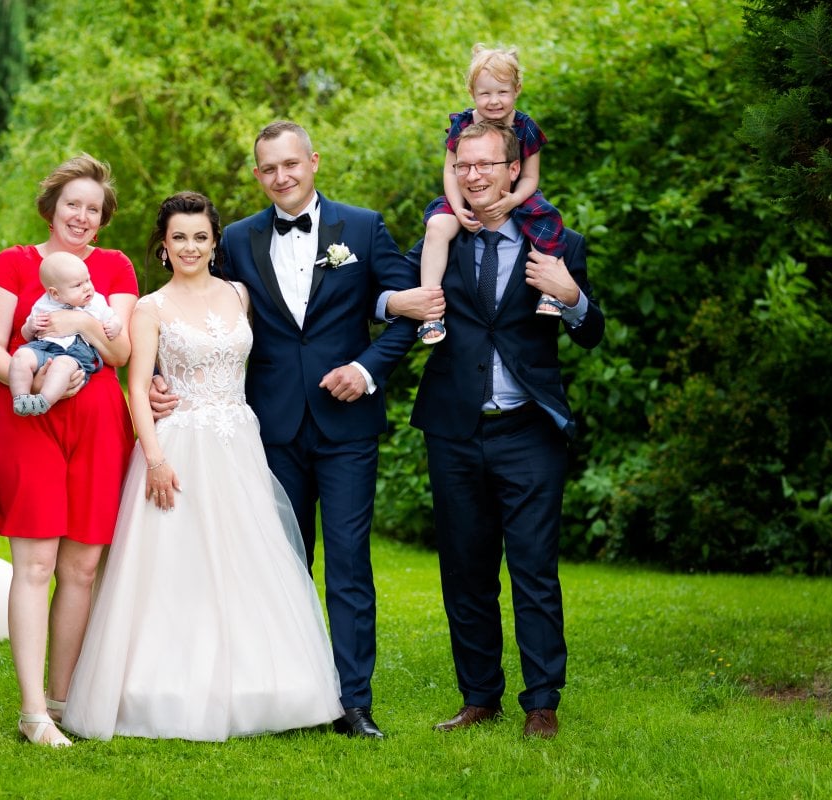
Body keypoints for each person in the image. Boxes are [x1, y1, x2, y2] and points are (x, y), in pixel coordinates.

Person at [150, 122, 442, 739]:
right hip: (267, 426)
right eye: (269, 168)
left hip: (346, 427)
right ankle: (287, 694)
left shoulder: (362, 227)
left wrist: (367, 369)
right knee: (278, 560)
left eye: (291, 164)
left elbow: (408, 306)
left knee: (349, 564)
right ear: (257, 175)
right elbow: (197, 310)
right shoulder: (236, 238)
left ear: (313, 162)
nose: (281, 176)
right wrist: (156, 375)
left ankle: (353, 702)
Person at [63, 192, 344, 741]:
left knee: (248, 562)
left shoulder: (239, 295)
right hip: (179, 448)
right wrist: (155, 459)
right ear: (163, 246)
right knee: (177, 570)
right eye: (178, 238)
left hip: (238, 443)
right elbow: (138, 389)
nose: (189, 247)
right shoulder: (150, 308)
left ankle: (263, 685)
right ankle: (164, 688)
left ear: (215, 242)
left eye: (199, 237)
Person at [408, 119, 604, 739]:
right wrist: (393, 306)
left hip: (530, 432)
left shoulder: (557, 242)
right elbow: (393, 300)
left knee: (534, 570)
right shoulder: (442, 237)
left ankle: (542, 702)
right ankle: (479, 698)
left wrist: (570, 295)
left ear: (514, 170)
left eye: (486, 165)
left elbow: (592, 331)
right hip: (454, 431)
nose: (473, 176)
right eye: (463, 166)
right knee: (465, 570)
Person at [0, 154, 138, 748]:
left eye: (93, 208)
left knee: (81, 568)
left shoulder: (115, 267)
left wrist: (81, 327)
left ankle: (62, 700)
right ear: (51, 208)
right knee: (35, 564)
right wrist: (33, 380)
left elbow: (120, 352)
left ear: (103, 217)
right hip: (26, 419)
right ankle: (33, 712)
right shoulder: (13, 262)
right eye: (72, 205)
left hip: (98, 424)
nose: (82, 216)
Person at [417, 44, 567, 346]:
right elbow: (451, 171)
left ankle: (550, 292)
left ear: (517, 90)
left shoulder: (525, 128)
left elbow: (530, 177)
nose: (494, 101)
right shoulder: (463, 124)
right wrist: (457, 208)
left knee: (546, 221)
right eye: (485, 93)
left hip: (517, 194)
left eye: (502, 92)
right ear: (472, 92)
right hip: (464, 194)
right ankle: (430, 309)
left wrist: (513, 200)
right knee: (437, 226)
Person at [8, 250, 122, 416]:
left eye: (88, 280)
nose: (87, 287)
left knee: (62, 366)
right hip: (43, 347)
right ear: (55, 293)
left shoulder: (96, 301)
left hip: (76, 352)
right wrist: (31, 326)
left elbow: (113, 317)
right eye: (78, 285)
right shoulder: (43, 304)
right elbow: (26, 335)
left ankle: (43, 401)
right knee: (21, 356)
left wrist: (115, 325)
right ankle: (22, 399)